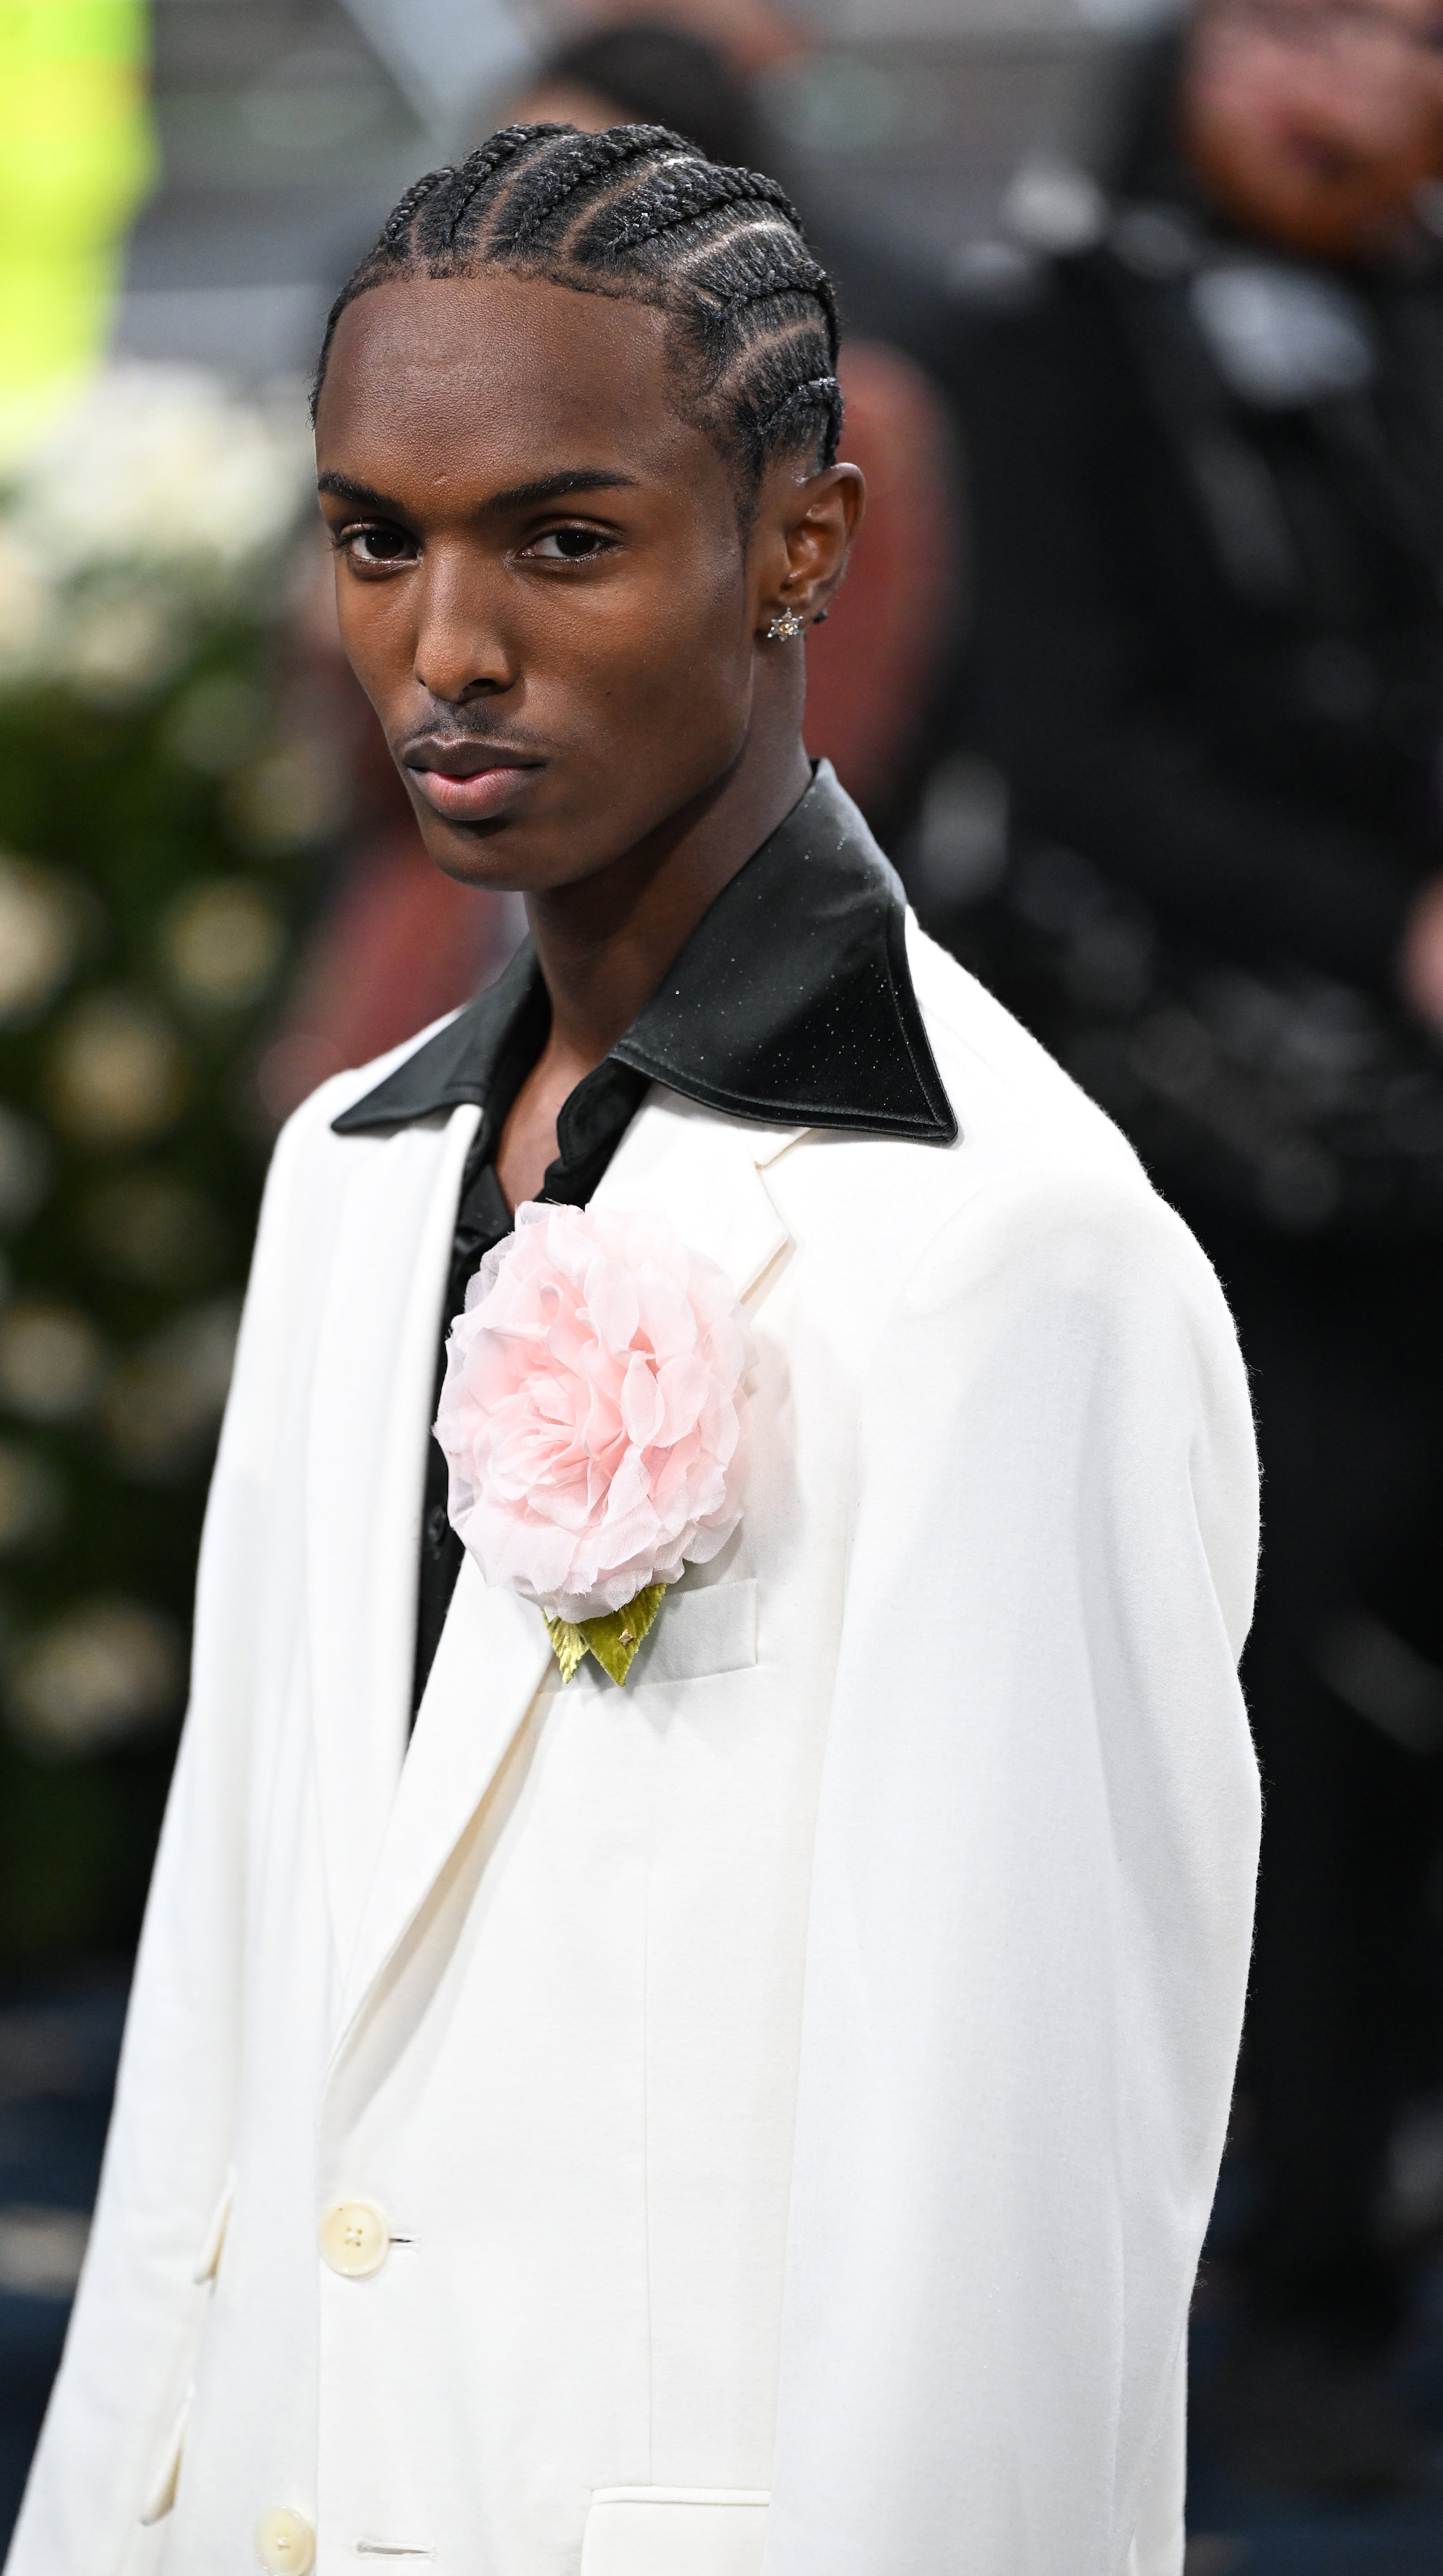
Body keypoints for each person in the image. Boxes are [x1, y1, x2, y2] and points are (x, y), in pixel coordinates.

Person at [8, 124, 1259, 2576]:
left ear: (805, 537)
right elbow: (233, 2022)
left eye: (560, 539)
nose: (444, 644)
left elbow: (1006, 2216)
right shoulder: (350, 1180)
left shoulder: (1010, 1253)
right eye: (378, 536)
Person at [930, 0, 1443, 2486]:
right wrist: (1392, 931)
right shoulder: (1052, 344)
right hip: (1194, 1142)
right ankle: (1292, 2289)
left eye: (1411, 36)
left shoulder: (1418, 320)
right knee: (1298, 1711)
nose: (1345, 95)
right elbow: (1073, 741)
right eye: (1296, 27)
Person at [265, 19, 955, 1120]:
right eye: (500, 182)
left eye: (589, 197)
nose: (525, 239)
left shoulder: (844, 426)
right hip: (431, 997)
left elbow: (828, 748)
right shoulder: (415, 412)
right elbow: (369, 767)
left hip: (727, 1022)